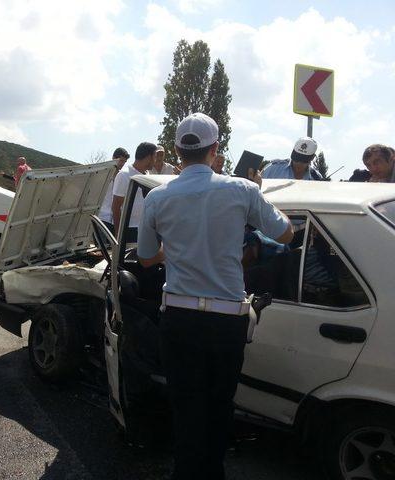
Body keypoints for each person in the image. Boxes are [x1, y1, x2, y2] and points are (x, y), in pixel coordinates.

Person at [137, 112, 293, 480]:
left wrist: (172, 251)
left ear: (177, 150)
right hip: (226, 320)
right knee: (220, 405)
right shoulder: (241, 190)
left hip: (179, 317)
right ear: (215, 150)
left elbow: (145, 258)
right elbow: (285, 234)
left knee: (186, 406)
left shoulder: (158, 198)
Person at [112, 142, 156, 242]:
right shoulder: (124, 175)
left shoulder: (149, 176)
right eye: (155, 156)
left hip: (147, 230)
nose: (155, 160)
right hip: (129, 231)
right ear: (149, 157)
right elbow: (116, 207)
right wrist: (119, 236)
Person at [99, 147, 130, 232]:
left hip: (114, 220)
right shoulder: (103, 174)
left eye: (124, 162)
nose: (122, 164)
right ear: (113, 158)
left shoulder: (122, 177)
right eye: (121, 160)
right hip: (102, 217)